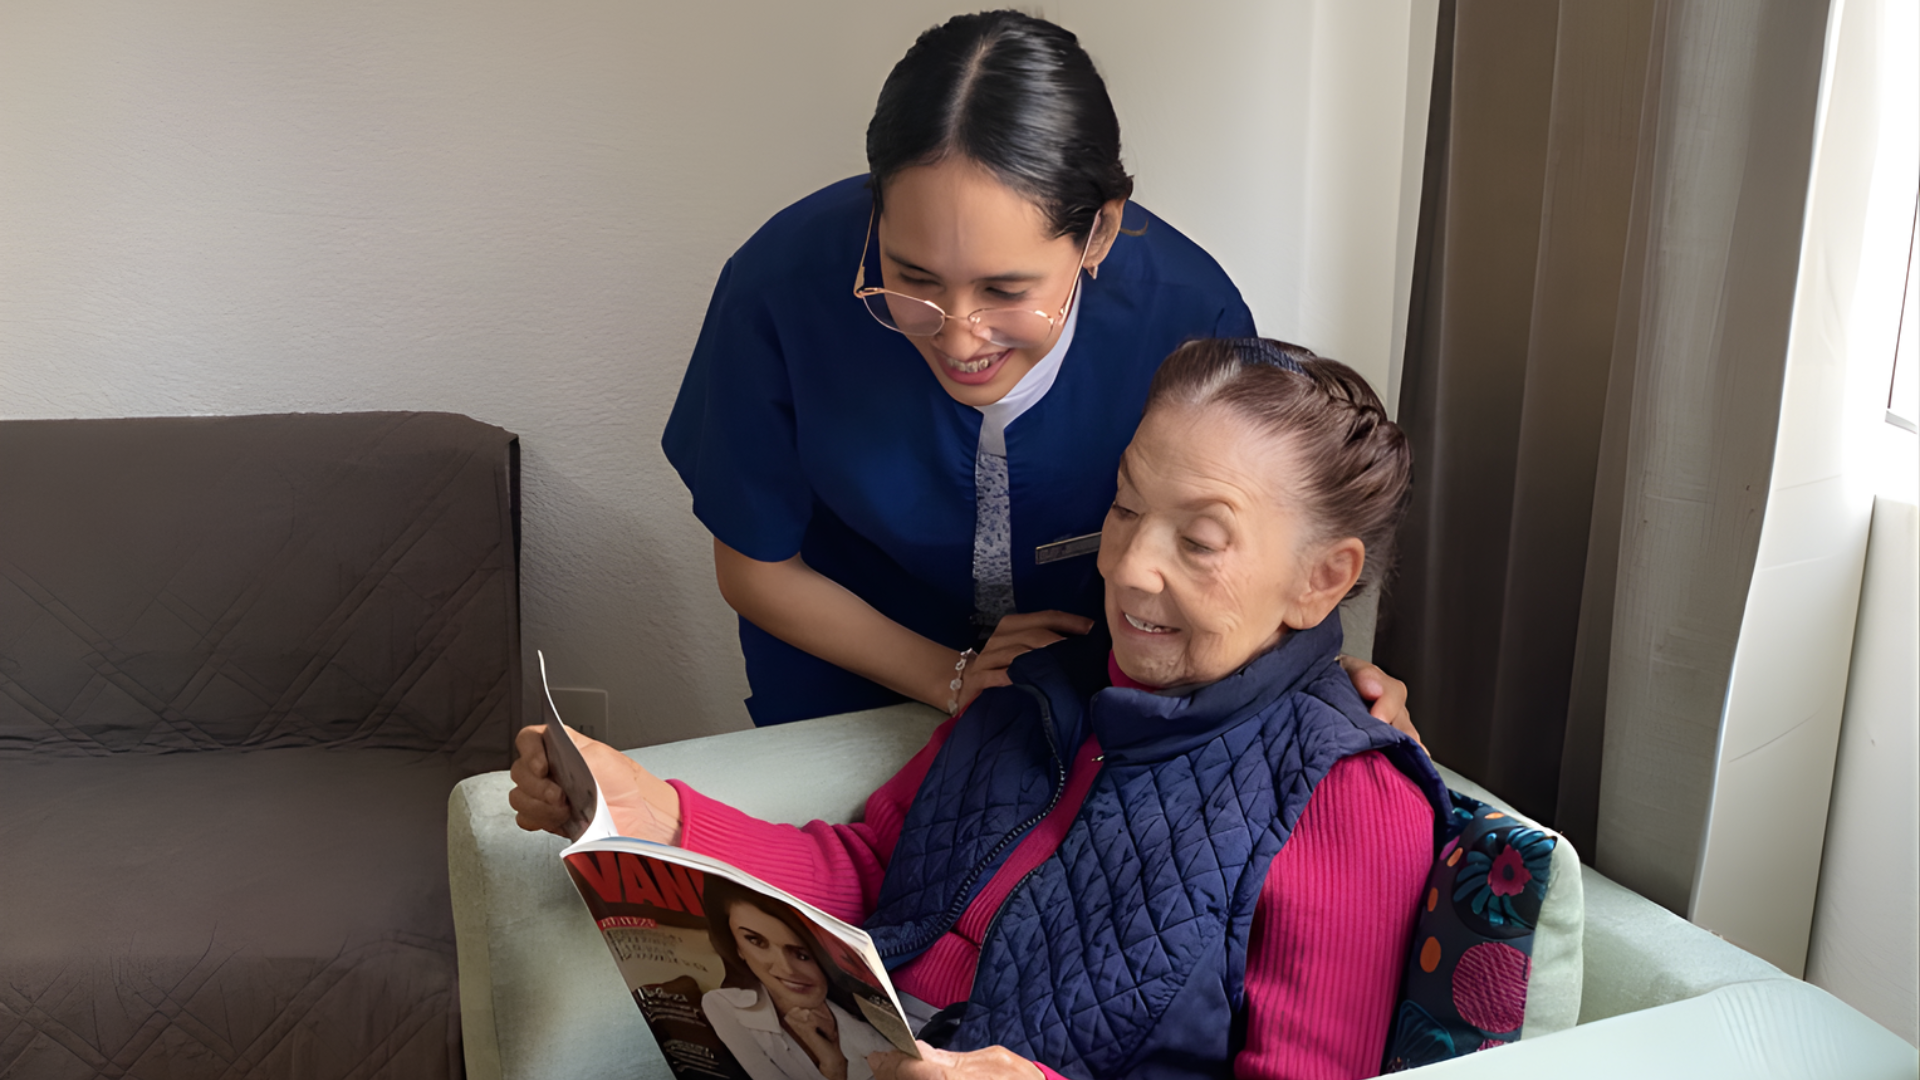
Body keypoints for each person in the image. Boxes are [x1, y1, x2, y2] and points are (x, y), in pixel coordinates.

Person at [522, 338, 1446, 1080]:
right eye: (1125, 509)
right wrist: (660, 814)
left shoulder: (1347, 796)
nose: (1128, 568)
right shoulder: (1041, 677)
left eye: (1199, 540)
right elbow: (878, 868)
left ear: (1323, 580)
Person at [662, 10, 1416, 735]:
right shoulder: (778, 287)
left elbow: (1249, 553)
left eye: (1005, 291)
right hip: (847, 675)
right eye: (911, 277)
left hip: (1096, 678)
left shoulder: (1189, 314)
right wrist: (948, 676)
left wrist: (1315, 679)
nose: (959, 337)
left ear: (1101, 233)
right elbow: (757, 564)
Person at [699, 877, 897, 1080]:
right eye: (756, 941)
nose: (786, 969)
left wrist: (833, 1062)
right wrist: (833, 1066)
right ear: (736, 946)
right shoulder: (723, 1005)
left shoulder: (875, 1038)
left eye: (802, 955)